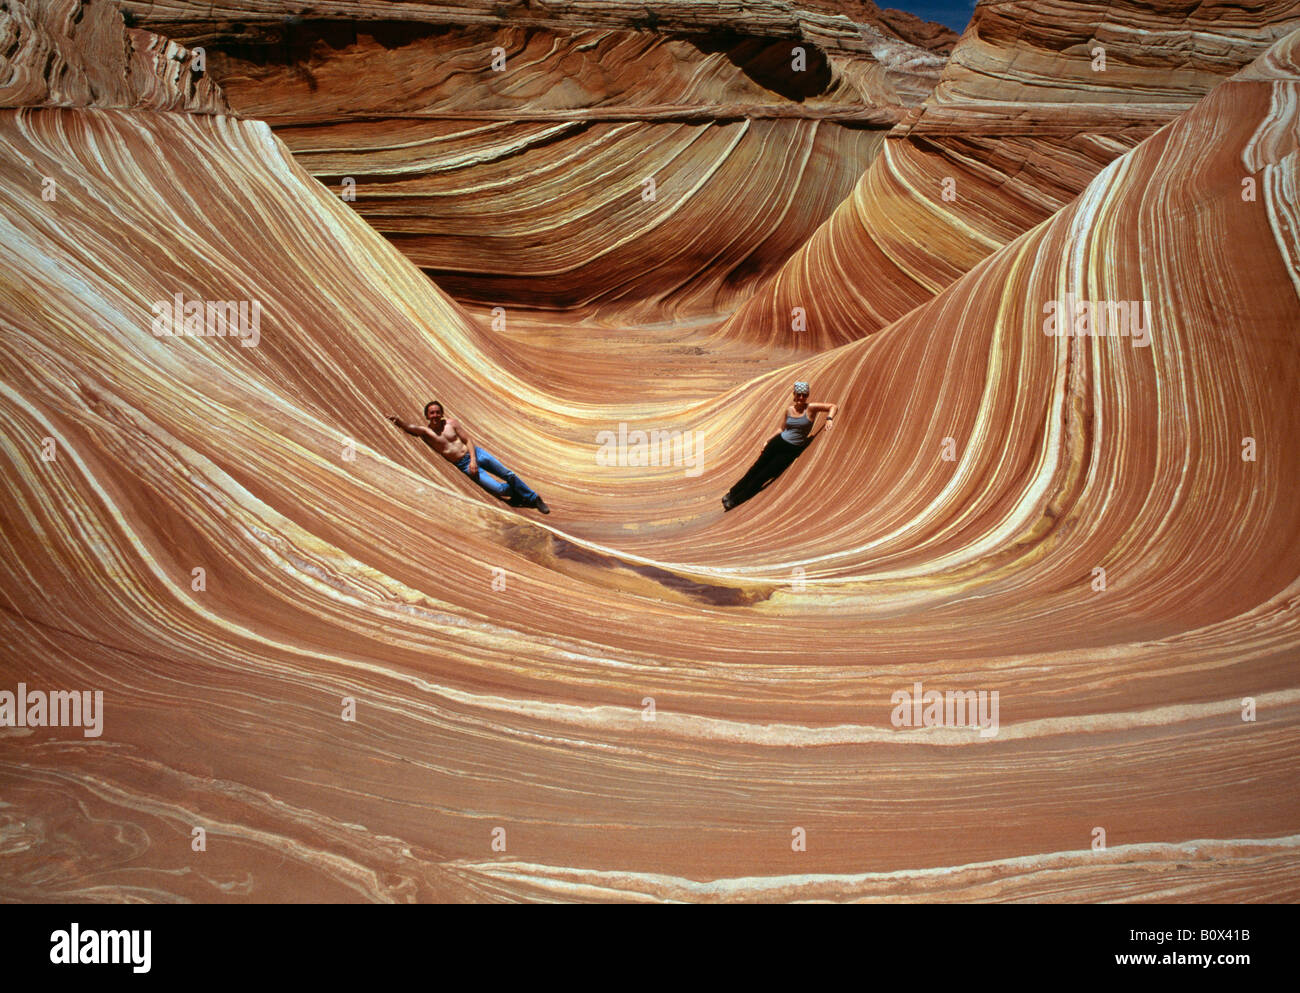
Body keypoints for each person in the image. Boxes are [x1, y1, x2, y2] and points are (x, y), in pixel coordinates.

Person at [388, 401, 550, 513]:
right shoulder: (426, 432)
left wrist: (473, 459)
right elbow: (410, 427)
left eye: (438, 412)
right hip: (462, 464)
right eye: (432, 413)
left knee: (508, 474)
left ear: (442, 413)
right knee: (499, 489)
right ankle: (520, 494)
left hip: (475, 454)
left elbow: (467, 440)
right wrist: (398, 422)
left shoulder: (451, 424)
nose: (435, 415)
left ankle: (534, 499)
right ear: (427, 416)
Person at [721, 381, 838, 510]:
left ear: (807, 395)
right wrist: (768, 440)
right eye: (799, 394)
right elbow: (782, 429)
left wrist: (829, 419)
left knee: (764, 475)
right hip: (777, 443)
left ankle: (735, 501)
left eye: (804, 395)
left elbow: (833, 406)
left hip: (790, 450)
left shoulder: (811, 408)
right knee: (755, 469)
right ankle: (731, 493)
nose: (801, 398)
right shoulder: (789, 410)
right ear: (794, 394)